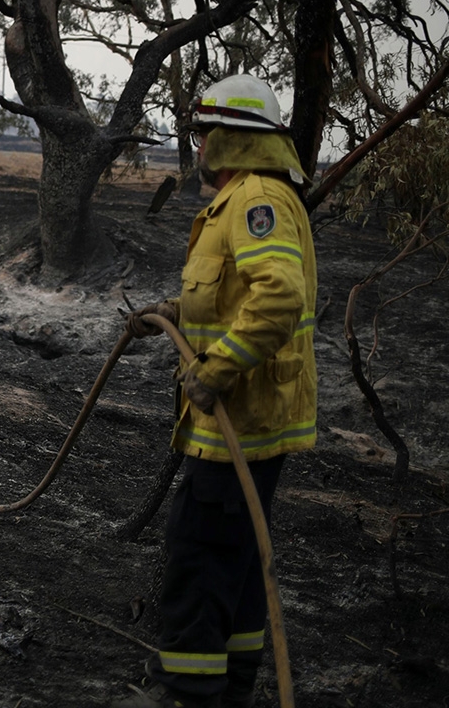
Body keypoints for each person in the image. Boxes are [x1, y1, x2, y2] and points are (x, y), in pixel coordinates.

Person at [113, 74, 318, 708]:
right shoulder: (240, 201)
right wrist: (172, 313)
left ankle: (187, 692)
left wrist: (216, 368)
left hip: (242, 416)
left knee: (199, 550)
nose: (200, 146)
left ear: (233, 138)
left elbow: (278, 296)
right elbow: (231, 297)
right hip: (246, 416)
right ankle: (230, 687)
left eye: (206, 134)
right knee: (237, 555)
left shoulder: (258, 200)